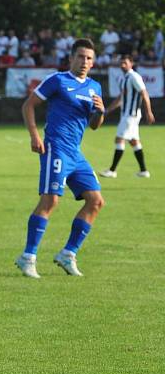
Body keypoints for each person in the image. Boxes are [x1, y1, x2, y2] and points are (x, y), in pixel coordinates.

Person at [16, 38, 105, 278]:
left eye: (88, 58)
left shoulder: (95, 87)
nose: (84, 61)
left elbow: (95, 125)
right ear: (71, 58)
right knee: (51, 201)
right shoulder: (58, 80)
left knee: (95, 201)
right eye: (80, 56)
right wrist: (35, 135)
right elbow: (29, 105)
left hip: (76, 153)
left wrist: (100, 110)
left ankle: (68, 254)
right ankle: (28, 257)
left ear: (93, 62)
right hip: (55, 148)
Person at [99, 55, 155, 178]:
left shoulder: (134, 77)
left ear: (131, 63)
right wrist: (107, 110)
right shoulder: (126, 78)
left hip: (131, 115)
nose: (122, 65)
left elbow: (144, 93)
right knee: (134, 142)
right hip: (128, 114)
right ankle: (143, 171)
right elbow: (121, 98)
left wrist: (149, 112)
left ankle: (112, 170)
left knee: (119, 139)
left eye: (125, 62)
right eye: (121, 63)